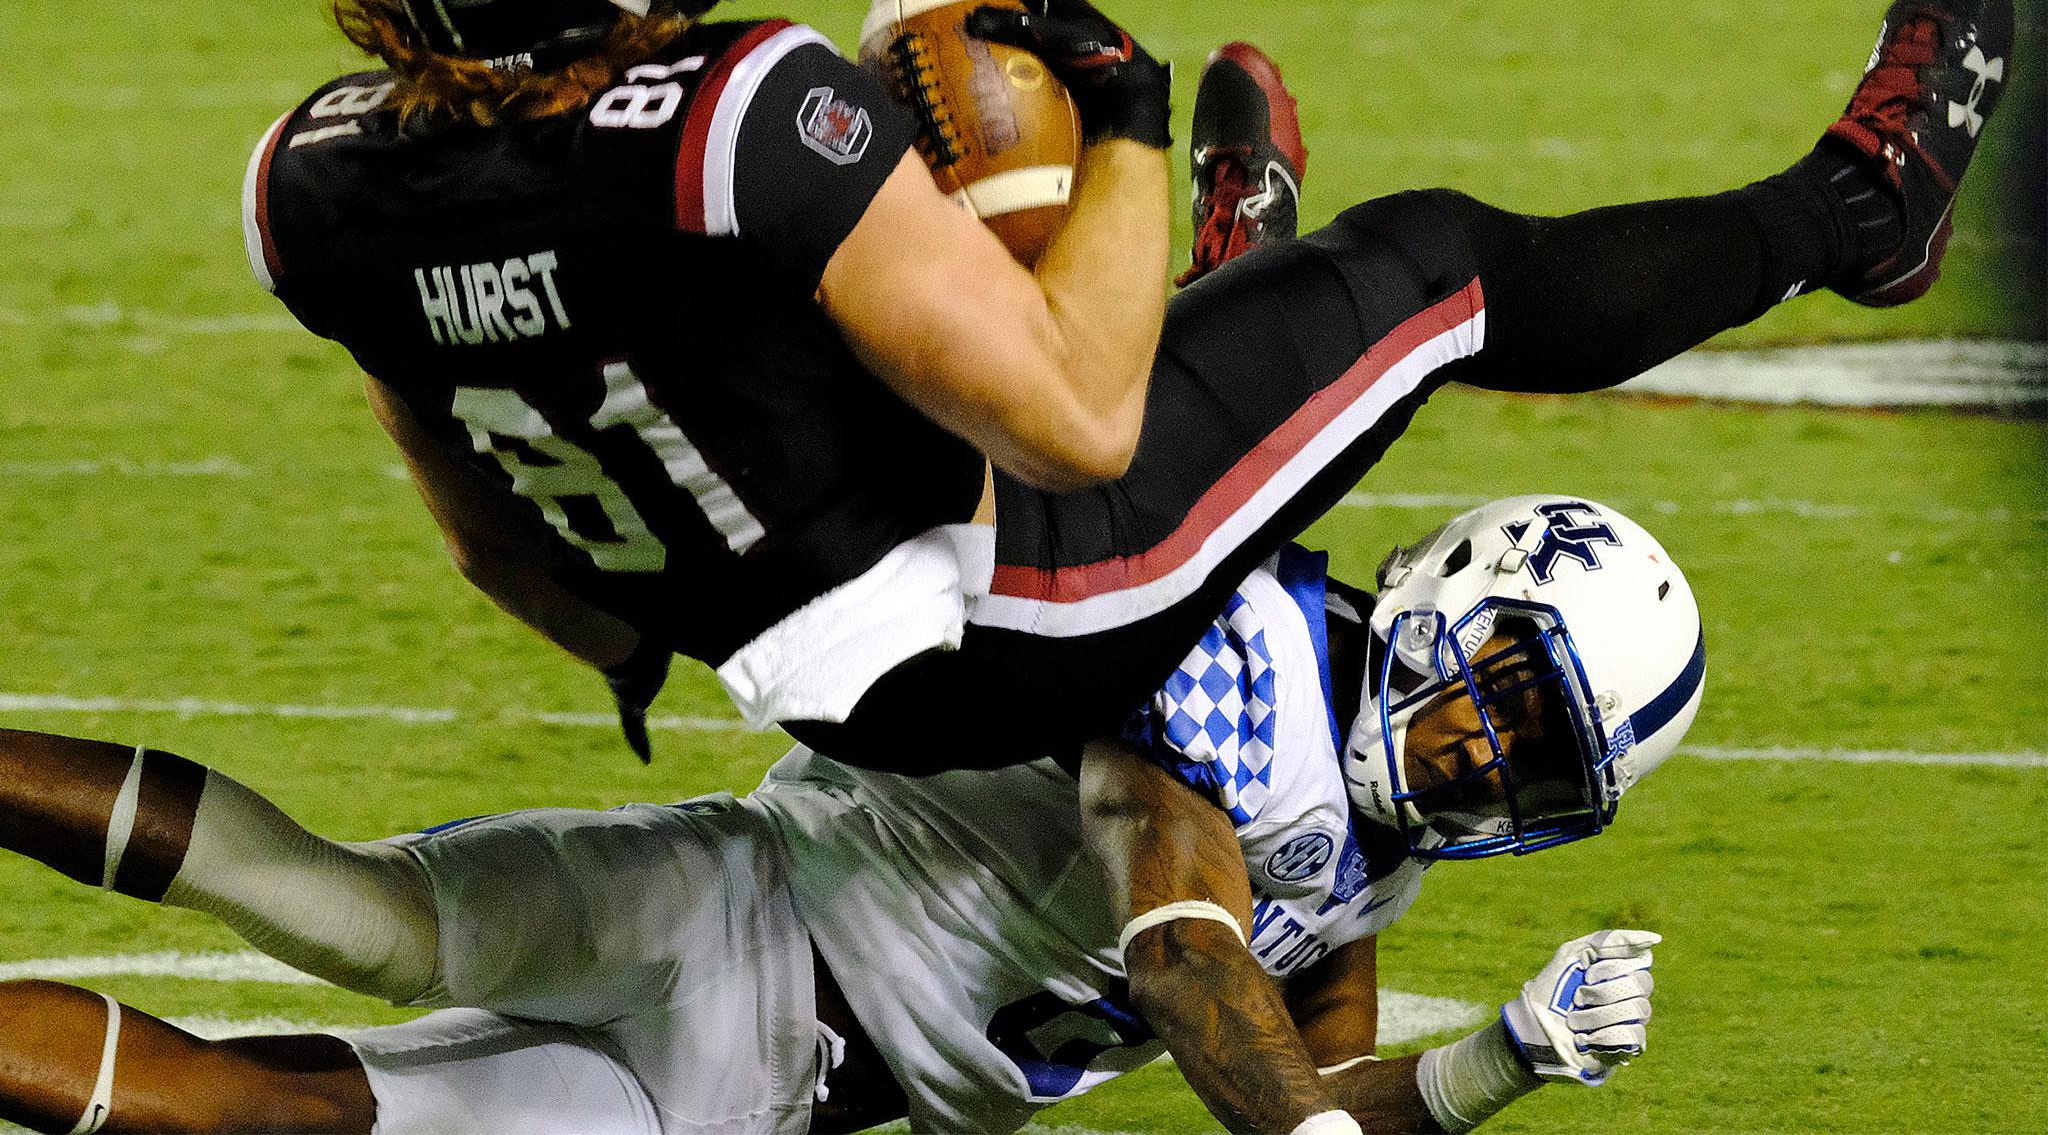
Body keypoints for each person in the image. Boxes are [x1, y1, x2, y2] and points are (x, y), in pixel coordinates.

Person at [244, 0, 2012, 779]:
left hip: (810, 657)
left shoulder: (316, 181)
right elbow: (1080, 429)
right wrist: (1127, 103)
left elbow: (503, 555)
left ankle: (1229, 287)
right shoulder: (736, 118)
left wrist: (658, 637)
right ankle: (1859, 211)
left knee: (938, 321)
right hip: (1017, 607)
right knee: (1436, 265)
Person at [0, 489, 1690, 1135]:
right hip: (745, 920)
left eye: (1539, 765)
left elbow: (1304, 1082)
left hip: (756, 1084)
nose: (1483, 758)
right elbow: (1182, 951)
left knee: (279, 1102)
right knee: (338, 915)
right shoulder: (1241, 655)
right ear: (1456, 591)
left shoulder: (1373, 870)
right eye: (1504, 696)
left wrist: (1502, 1063)